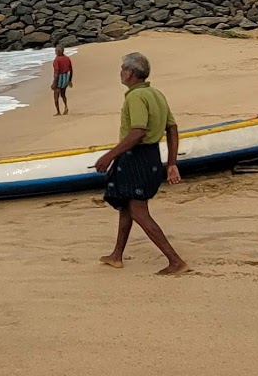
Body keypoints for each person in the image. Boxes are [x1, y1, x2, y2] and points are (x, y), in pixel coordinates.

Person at [92, 52, 187, 275]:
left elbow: (137, 132)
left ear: (131, 73)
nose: (121, 72)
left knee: (138, 211)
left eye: (123, 68)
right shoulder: (156, 94)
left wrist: (109, 155)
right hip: (151, 156)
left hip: (136, 157)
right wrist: (171, 162)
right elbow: (171, 128)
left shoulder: (135, 97)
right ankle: (117, 255)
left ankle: (175, 261)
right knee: (126, 206)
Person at [51, 46, 74, 115]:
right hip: (66, 77)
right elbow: (71, 70)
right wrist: (69, 80)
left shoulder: (57, 60)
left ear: (58, 52)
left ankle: (58, 112)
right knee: (63, 94)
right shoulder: (67, 58)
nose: (55, 52)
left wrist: (54, 83)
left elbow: (57, 72)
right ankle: (66, 106)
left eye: (56, 51)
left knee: (56, 95)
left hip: (59, 78)